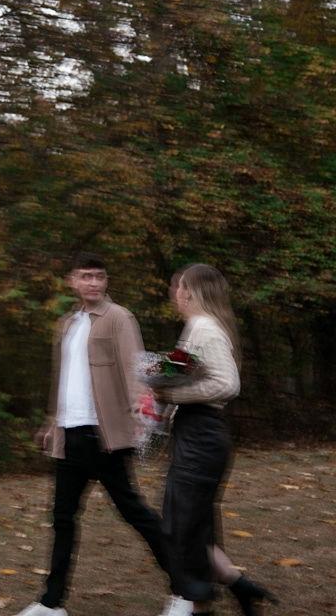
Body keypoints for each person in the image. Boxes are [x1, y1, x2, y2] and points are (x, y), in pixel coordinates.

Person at [14, 252, 166, 616]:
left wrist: (140, 412)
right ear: (72, 281)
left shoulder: (119, 318)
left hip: (104, 435)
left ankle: (186, 588)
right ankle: (51, 603)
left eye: (99, 276)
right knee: (62, 518)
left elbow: (135, 369)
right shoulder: (67, 323)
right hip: (69, 435)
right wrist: (52, 421)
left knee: (135, 513)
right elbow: (63, 378)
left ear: (106, 281)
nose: (93, 282)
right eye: (86, 276)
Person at [154, 264, 277, 616]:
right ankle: (239, 589)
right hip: (196, 434)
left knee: (182, 524)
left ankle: (194, 600)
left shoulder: (205, 328)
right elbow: (178, 374)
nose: (175, 293)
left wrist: (171, 395)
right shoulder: (197, 328)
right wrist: (155, 381)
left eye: (180, 287)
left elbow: (226, 384)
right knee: (193, 524)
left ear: (190, 292)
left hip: (202, 437)